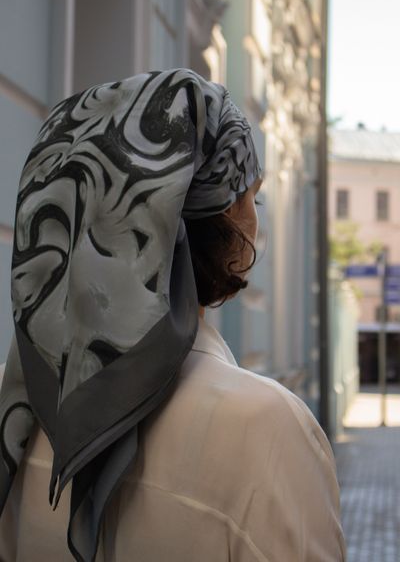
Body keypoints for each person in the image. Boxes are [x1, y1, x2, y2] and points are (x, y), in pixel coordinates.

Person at [0, 68, 347, 561]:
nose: (257, 218)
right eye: (252, 195)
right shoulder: (267, 430)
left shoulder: (12, 410)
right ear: (223, 220)